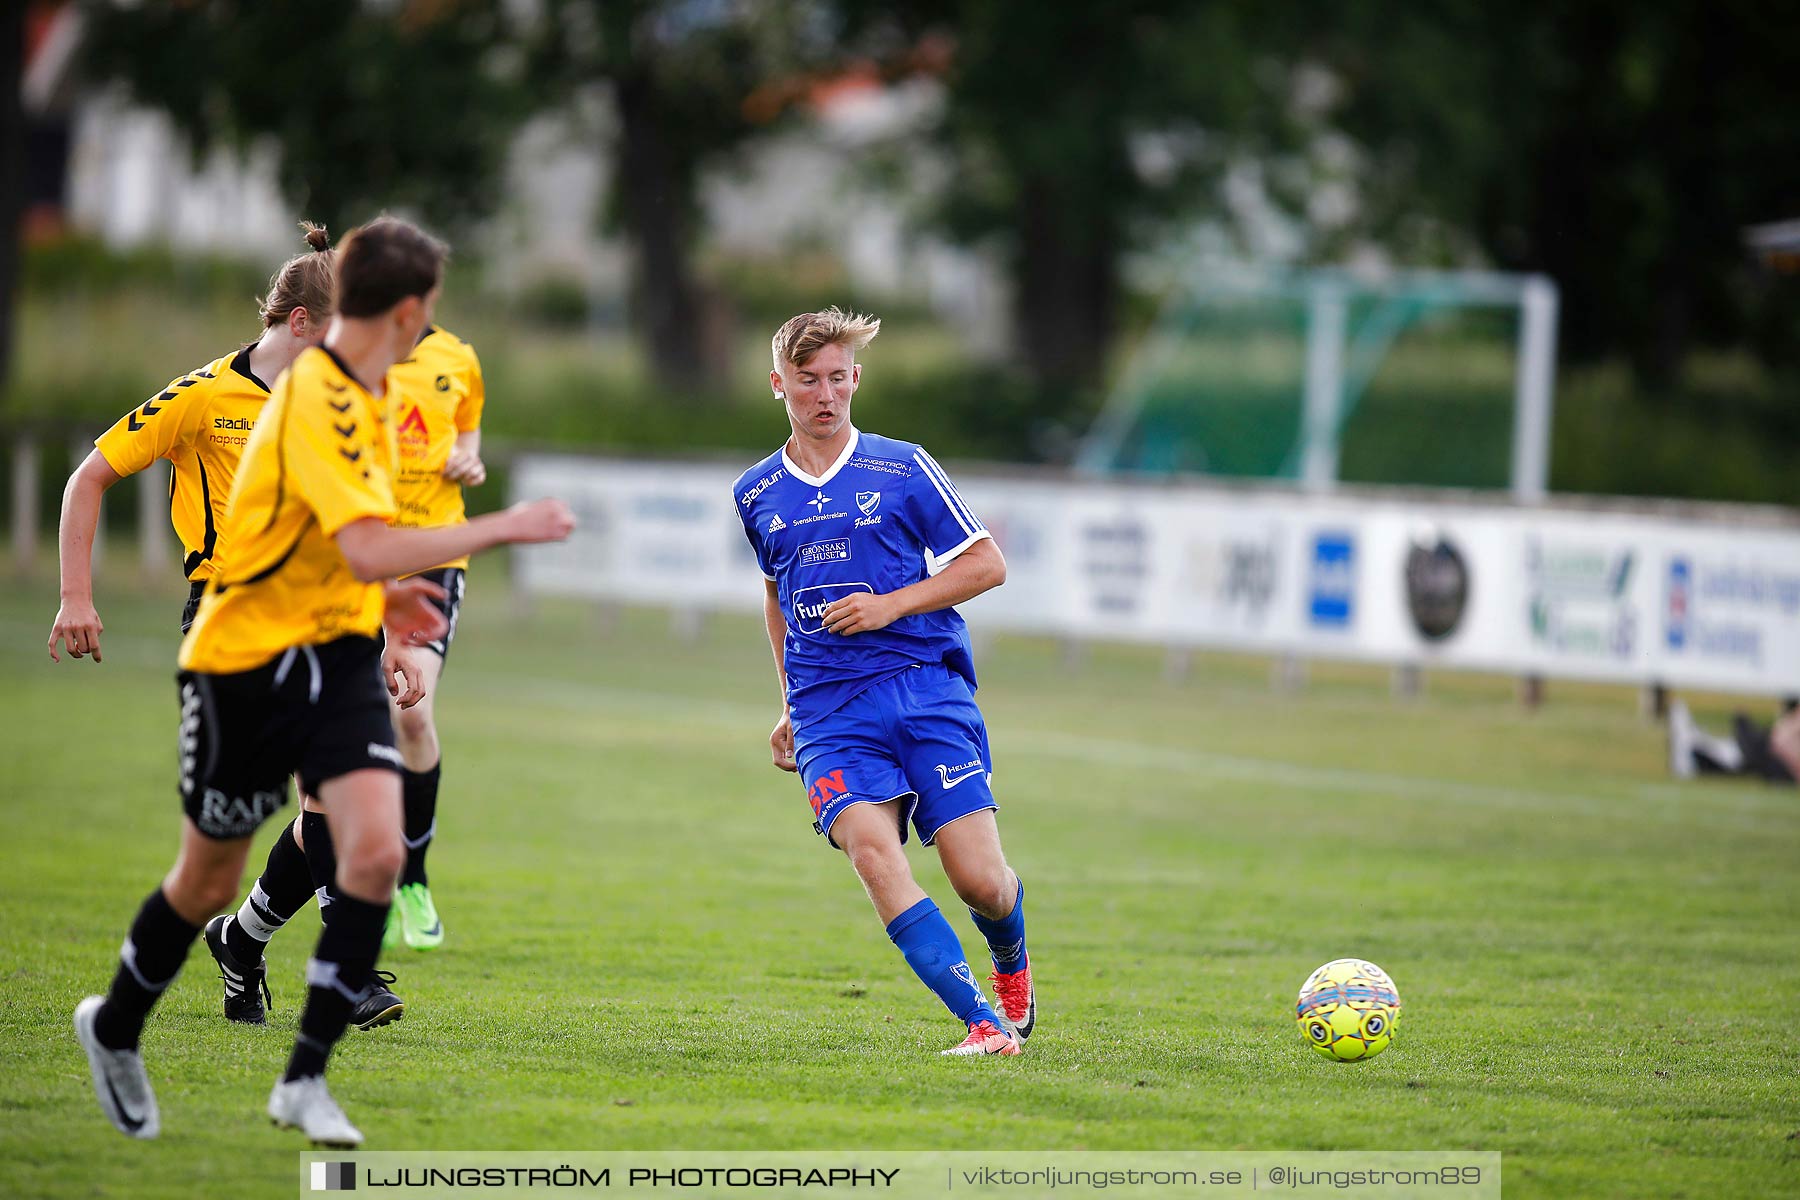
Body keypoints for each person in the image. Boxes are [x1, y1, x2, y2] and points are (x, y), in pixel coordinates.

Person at [73, 216, 575, 1148]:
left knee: (376, 852)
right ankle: (113, 1027)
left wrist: (386, 619)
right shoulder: (314, 398)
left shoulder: (365, 393)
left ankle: (304, 1079)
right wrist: (500, 529)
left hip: (339, 652)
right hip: (244, 658)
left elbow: (345, 545)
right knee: (208, 876)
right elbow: (365, 540)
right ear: (407, 309)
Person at [732, 307, 1035, 1058]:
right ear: (780, 385)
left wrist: (889, 606)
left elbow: (987, 564)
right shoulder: (755, 492)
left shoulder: (901, 467)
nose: (826, 395)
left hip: (923, 687)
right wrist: (788, 705)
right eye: (809, 382)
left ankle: (1011, 966)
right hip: (829, 708)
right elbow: (777, 596)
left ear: (856, 379)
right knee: (872, 852)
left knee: (981, 883)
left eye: (839, 379)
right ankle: (983, 1025)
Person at [199, 322, 488, 1030]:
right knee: (326, 796)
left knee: (342, 785)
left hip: (405, 569)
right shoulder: (311, 381)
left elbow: (463, 428)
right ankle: (331, 964)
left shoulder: (451, 358)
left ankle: (250, 940)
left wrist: (466, 459)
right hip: (303, 589)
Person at [48, 222, 336, 655]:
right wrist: (75, 597)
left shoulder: (334, 403)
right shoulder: (205, 394)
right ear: (300, 321)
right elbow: (87, 479)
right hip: (226, 614)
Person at [1667, 699, 1800, 784]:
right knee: (1746, 744)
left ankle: (1693, 749)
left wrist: (1779, 744)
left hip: (1780, 762)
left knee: (1749, 741)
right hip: (1773, 751)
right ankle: (1695, 751)